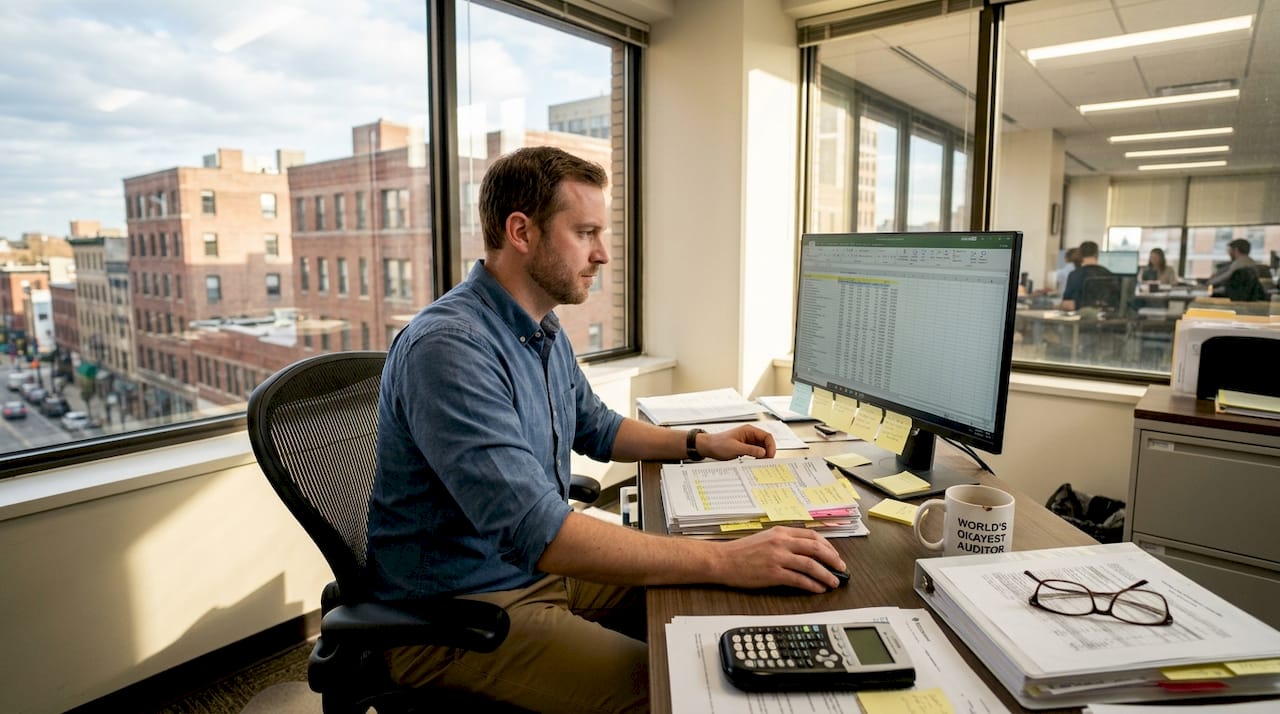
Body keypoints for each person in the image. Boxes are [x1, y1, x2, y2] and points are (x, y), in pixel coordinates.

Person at [365, 146, 846, 713]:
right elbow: (540, 530)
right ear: (521, 231)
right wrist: (728, 558)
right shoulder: (450, 349)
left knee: (712, 601)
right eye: (586, 232)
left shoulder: (539, 327)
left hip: (529, 573)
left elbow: (595, 427)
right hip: (457, 614)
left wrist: (700, 444)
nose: (603, 254)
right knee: (690, 689)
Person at [1059, 240, 1111, 311]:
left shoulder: (1074, 275)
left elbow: (1066, 302)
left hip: (1079, 317)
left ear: (1080, 255)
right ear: (1097, 254)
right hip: (1103, 317)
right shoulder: (1107, 274)